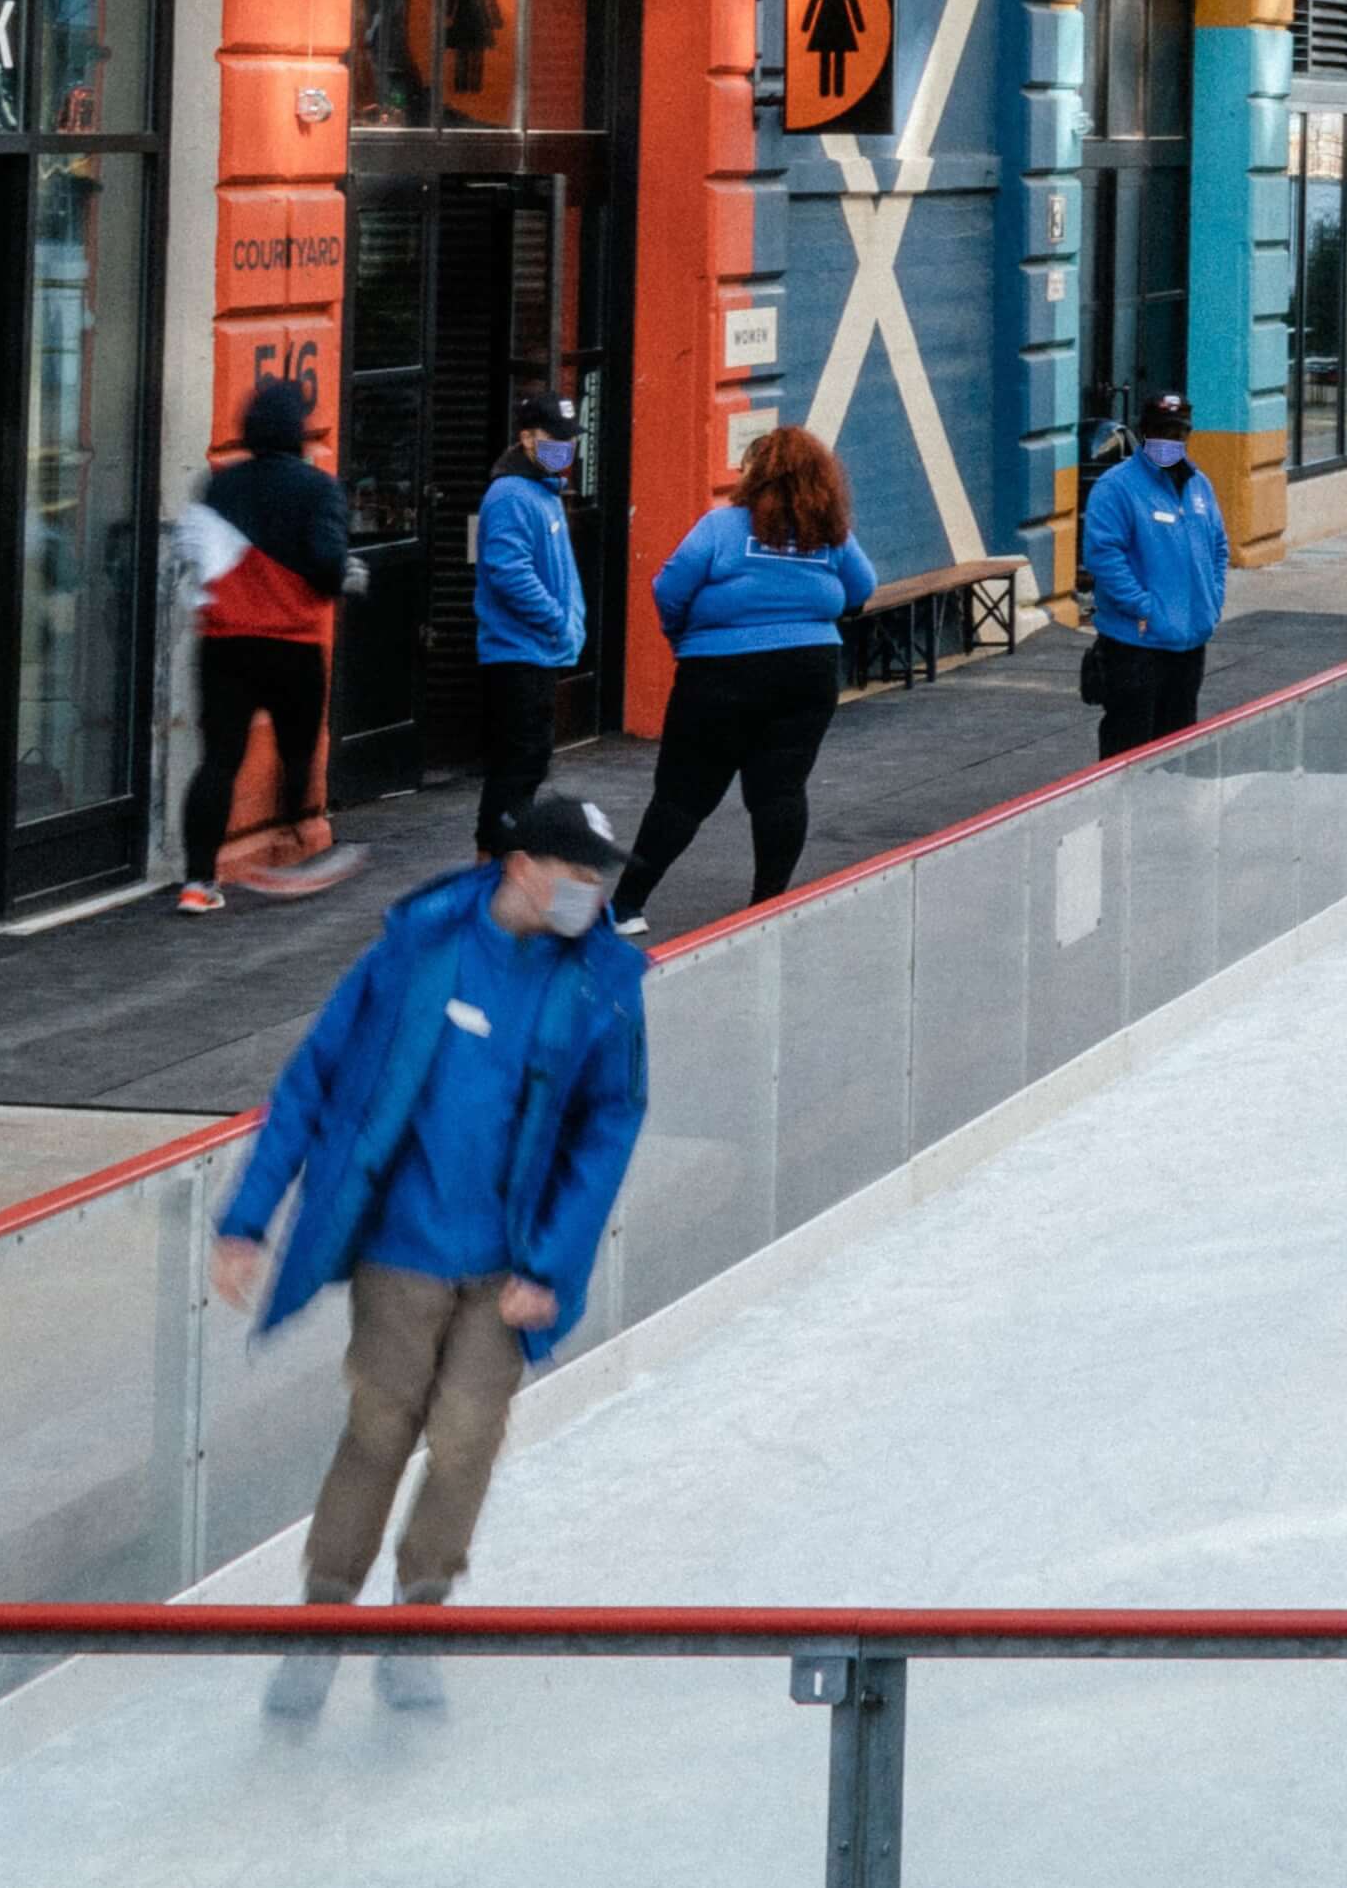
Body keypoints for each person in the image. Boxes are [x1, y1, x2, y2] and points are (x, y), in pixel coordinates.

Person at [208, 791, 652, 1712]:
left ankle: (418, 1623)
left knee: (464, 1443)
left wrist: (556, 1264)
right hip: (401, 1256)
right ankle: (323, 1621)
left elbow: (609, 1123)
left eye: (597, 884)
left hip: (507, 1273)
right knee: (378, 1428)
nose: (590, 899)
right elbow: (312, 1084)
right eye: (576, 878)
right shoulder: (418, 953)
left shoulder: (600, 982)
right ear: (523, 868)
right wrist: (248, 1219)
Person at [609, 427, 878, 932]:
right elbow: (862, 590)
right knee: (781, 790)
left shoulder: (722, 527)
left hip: (718, 673)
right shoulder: (832, 534)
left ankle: (627, 906)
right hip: (808, 670)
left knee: (682, 794)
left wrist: (683, 638)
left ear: (755, 475)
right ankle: (766, 904)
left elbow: (669, 587)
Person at [174, 375, 361, 914]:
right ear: (299, 432)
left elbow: (194, 554)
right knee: (298, 754)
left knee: (218, 762)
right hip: (292, 646)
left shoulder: (218, 486)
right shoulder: (319, 488)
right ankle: (293, 854)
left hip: (224, 646)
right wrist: (345, 576)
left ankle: (196, 882)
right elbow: (328, 567)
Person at [461, 399, 587, 859]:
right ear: (528, 437)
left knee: (526, 767)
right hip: (519, 654)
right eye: (557, 439)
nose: (567, 447)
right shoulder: (513, 494)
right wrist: (557, 619)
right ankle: (493, 865)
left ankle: (503, 861)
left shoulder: (541, 491)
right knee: (516, 769)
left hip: (537, 652)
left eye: (572, 438)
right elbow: (507, 571)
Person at [1075, 390, 1229, 757]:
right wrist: (1143, 607)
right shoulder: (1117, 487)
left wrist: (1212, 600)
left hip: (1188, 644)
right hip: (1136, 645)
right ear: (1145, 433)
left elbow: (1219, 547)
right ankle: (1119, 816)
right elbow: (1103, 555)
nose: (1171, 441)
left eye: (1178, 433)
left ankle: (1170, 816)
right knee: (1128, 750)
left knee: (1177, 754)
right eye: (1162, 432)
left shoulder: (1199, 486)